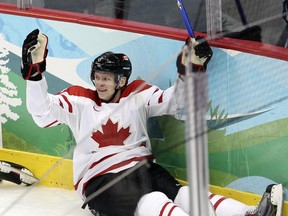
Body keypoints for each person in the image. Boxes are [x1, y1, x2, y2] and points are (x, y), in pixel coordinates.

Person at [21, 29, 284, 216]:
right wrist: (34, 74)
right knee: (154, 200)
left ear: (121, 81)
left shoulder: (137, 94)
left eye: (106, 78)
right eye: (97, 77)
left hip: (143, 169)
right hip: (101, 180)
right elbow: (43, 114)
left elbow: (178, 104)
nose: (99, 83)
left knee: (182, 195)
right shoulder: (79, 101)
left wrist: (189, 69)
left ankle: (248, 213)